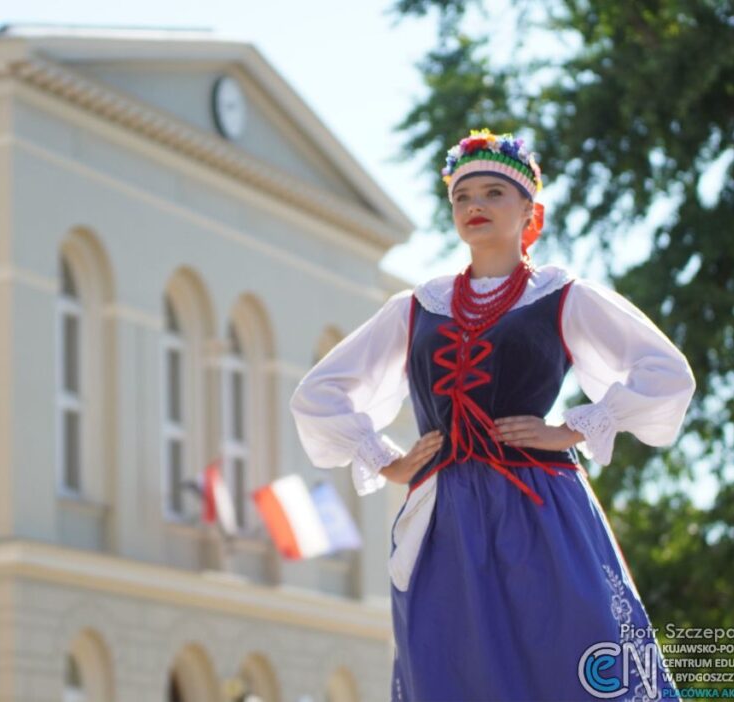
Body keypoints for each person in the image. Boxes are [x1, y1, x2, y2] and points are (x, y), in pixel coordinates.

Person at [289, 128, 696, 701]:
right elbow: (318, 392)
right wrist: (387, 462)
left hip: (539, 508)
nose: (474, 205)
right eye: (462, 196)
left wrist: (571, 427)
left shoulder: (559, 295)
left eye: (492, 193)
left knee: (572, 658)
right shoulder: (418, 306)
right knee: (451, 669)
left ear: (529, 209)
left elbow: (666, 372)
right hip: (444, 518)